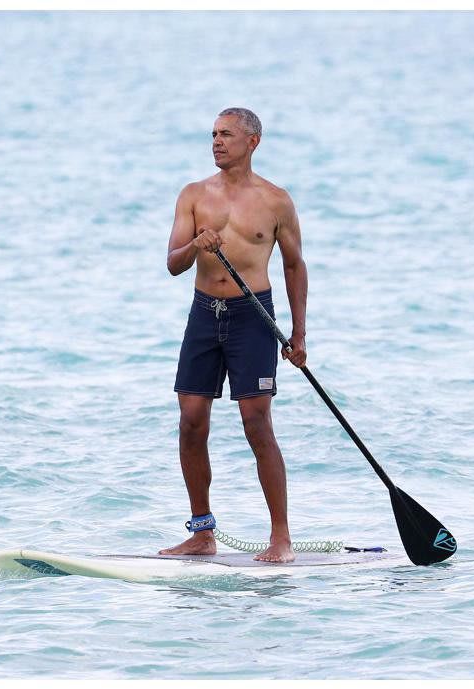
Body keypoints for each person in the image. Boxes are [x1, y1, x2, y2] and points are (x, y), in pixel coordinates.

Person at [162, 108, 308, 563]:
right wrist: (194, 246)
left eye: (226, 134)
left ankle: (280, 538)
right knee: (190, 421)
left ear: (253, 141)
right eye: (213, 134)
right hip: (204, 314)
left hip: (253, 317)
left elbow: (293, 265)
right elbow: (172, 263)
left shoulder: (276, 200)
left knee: (256, 423)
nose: (217, 142)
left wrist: (298, 334)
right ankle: (202, 532)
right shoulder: (193, 195)